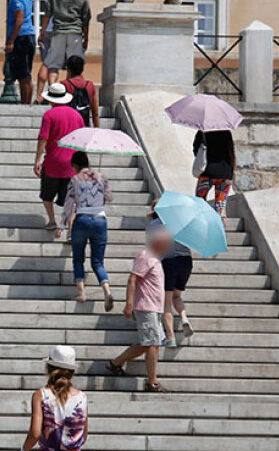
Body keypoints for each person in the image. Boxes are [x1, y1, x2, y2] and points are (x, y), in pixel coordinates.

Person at [106, 221, 173, 392]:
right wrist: (129, 304)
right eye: (167, 243)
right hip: (147, 307)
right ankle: (152, 381)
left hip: (155, 308)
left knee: (148, 343)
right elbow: (133, 279)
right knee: (152, 344)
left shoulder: (157, 259)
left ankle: (115, 363)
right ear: (158, 243)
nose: (169, 246)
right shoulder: (146, 256)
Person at [59, 152, 114, 311]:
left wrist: (62, 224)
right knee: (98, 262)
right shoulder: (101, 177)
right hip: (99, 220)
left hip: (82, 219)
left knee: (78, 259)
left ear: (75, 166)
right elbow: (109, 198)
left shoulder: (75, 180)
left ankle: (81, 293)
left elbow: (68, 204)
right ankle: (107, 291)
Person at [34, 83, 84, 231]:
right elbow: (83, 138)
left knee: (47, 195)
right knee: (71, 198)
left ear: (50, 99)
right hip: (72, 164)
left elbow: (43, 138)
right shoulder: (77, 115)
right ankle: (70, 228)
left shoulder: (49, 115)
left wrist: (37, 160)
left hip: (53, 162)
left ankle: (52, 220)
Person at [150, 207, 194, 348]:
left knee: (166, 302)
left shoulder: (156, 223)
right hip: (186, 261)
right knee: (177, 296)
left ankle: (170, 338)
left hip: (169, 262)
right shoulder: (183, 222)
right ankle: (184, 318)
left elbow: (154, 246)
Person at [44, 0, 90, 87]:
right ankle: (74, 90)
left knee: (53, 65)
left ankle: (53, 90)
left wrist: (43, 32)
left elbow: (47, 14)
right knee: (75, 67)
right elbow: (86, 19)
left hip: (59, 31)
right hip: (75, 32)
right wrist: (86, 38)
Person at [193, 129, 236, 225]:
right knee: (220, 205)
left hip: (207, 173)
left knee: (200, 200)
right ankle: (220, 228)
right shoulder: (226, 131)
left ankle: (201, 225)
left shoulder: (203, 131)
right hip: (225, 174)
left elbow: (196, 150)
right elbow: (230, 150)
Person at [6, 0, 37, 105]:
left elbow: (19, 17)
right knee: (27, 75)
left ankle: (25, 104)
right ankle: (27, 103)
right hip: (30, 35)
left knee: (22, 76)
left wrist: (11, 40)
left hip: (21, 37)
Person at [35, 0, 65, 103]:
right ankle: (52, 94)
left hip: (48, 28)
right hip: (60, 29)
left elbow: (48, 10)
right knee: (54, 65)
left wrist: (42, 32)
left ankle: (39, 96)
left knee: (46, 63)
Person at [61, 55, 99, 128]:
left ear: (68, 69)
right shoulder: (90, 85)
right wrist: (96, 129)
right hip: (84, 127)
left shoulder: (64, 84)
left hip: (69, 127)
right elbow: (95, 113)